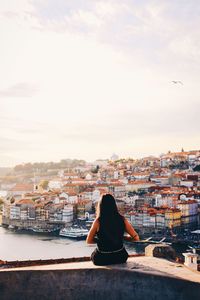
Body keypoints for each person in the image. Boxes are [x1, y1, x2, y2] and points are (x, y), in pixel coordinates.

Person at [86, 193, 139, 266]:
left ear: (100, 206)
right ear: (114, 205)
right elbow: (136, 238)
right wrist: (123, 238)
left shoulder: (98, 222)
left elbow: (88, 241)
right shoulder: (122, 219)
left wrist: (102, 241)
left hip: (103, 258)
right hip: (120, 257)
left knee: (93, 255)